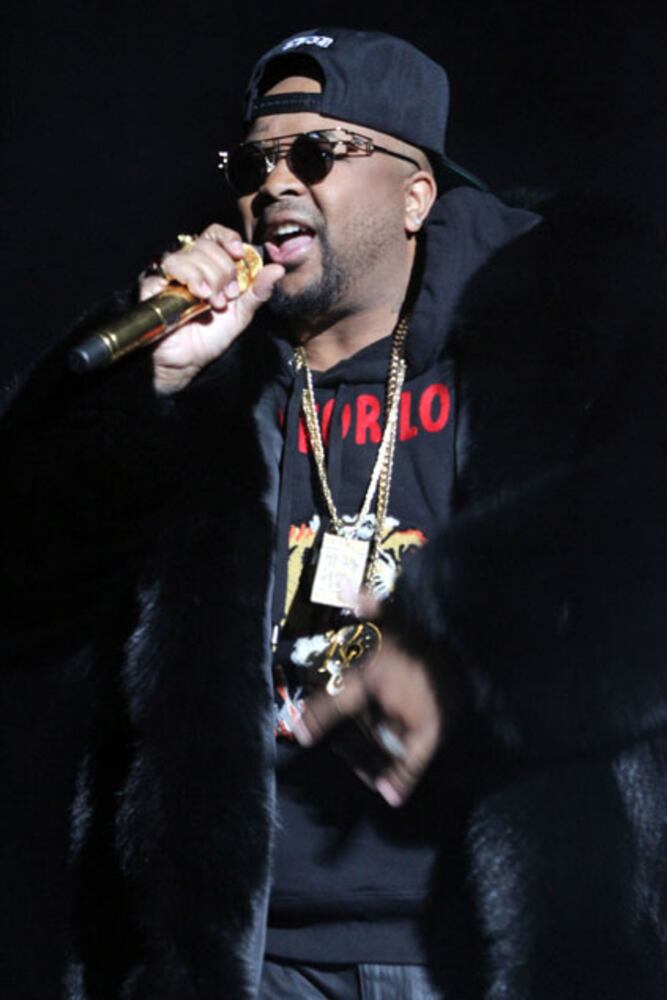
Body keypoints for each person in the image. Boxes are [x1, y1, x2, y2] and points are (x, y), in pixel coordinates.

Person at [2, 26, 666, 1000]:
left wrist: (465, 644)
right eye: (253, 162)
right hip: (244, 961)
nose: (274, 182)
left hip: (476, 957)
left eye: (315, 153)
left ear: (415, 194)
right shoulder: (209, 383)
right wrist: (153, 390)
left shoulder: (561, 349)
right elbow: (23, 595)